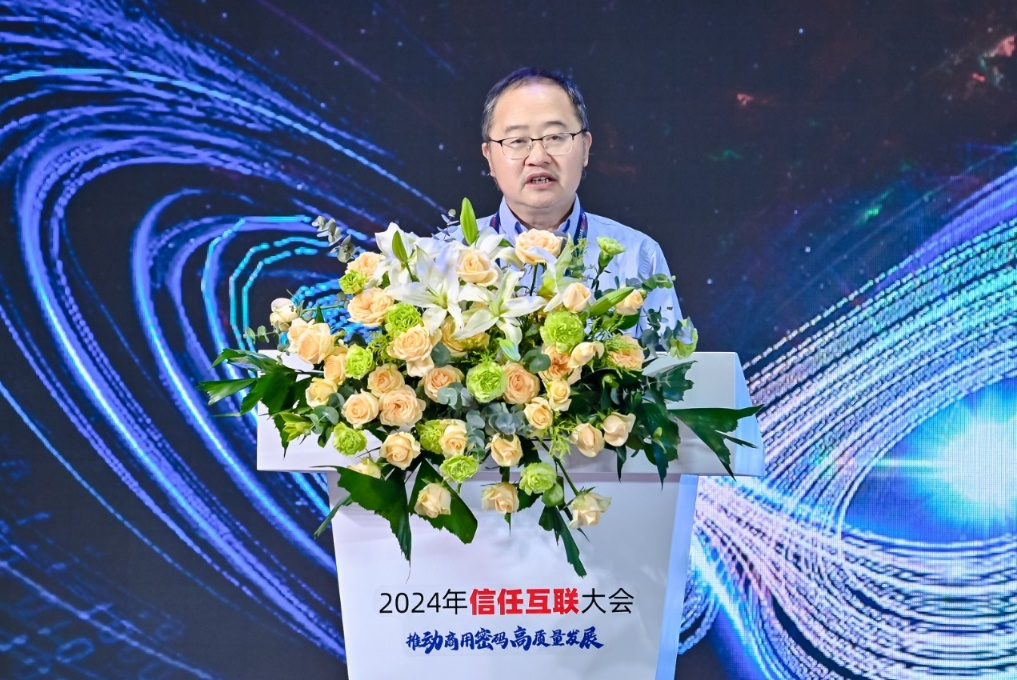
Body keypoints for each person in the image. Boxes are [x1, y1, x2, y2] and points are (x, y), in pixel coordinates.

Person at [479, 67, 683, 331]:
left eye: (555, 137)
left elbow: (670, 358)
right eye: (517, 140)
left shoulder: (639, 255)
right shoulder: (445, 255)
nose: (538, 157)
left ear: (586, 148)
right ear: (489, 157)